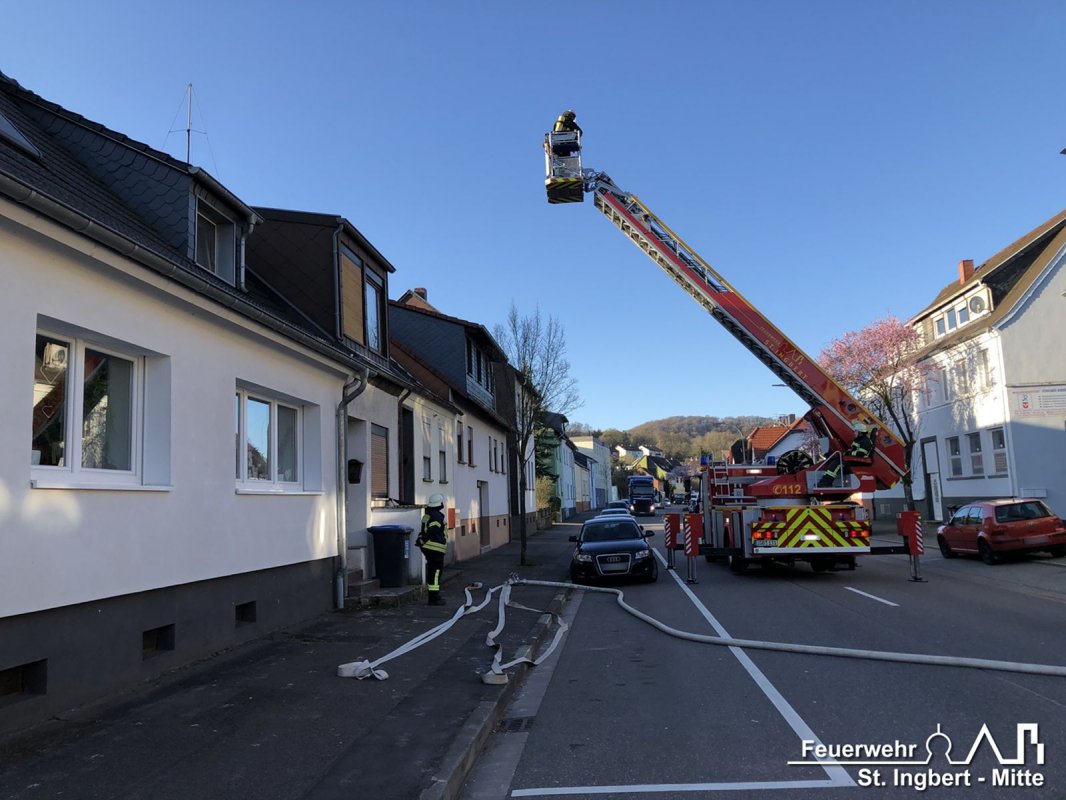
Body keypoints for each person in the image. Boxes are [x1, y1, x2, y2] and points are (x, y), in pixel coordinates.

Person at [416, 493, 448, 606]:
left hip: (428, 548)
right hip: (435, 548)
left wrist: (421, 540)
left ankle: (433, 596)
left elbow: (423, 530)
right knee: (435, 573)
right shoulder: (437, 516)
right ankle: (434, 599)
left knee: (432, 572)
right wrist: (424, 539)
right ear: (439, 504)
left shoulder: (427, 515)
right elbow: (433, 531)